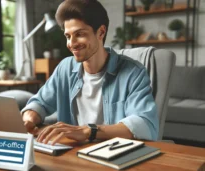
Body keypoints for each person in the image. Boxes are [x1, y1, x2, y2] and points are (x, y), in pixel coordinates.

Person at [22, 0, 159, 145]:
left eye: (79, 34)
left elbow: (145, 123)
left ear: (101, 32)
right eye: (68, 36)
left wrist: (89, 131)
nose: (72, 43)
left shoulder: (133, 73)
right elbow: (39, 103)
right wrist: (29, 119)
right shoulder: (65, 68)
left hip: (111, 153)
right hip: (70, 153)